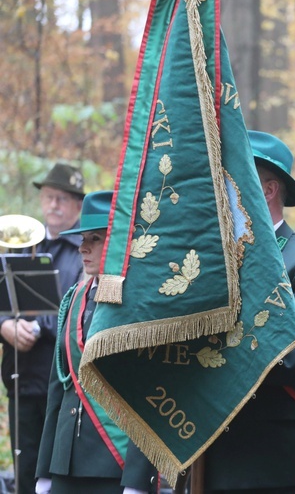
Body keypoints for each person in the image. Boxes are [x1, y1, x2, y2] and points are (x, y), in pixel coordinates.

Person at [202, 131, 295, 493]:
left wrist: (224, 351)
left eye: (233, 180)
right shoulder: (215, 262)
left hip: (271, 453)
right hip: (209, 444)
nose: (221, 190)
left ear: (267, 190)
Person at [35, 190, 158, 494]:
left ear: (117, 244)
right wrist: (45, 469)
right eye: (82, 240)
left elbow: (149, 394)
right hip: (65, 462)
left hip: (112, 463)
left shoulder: (139, 304)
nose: (83, 248)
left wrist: (138, 479)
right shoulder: (73, 299)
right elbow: (58, 388)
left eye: (95, 239)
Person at [0, 163, 85, 494]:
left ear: (78, 205)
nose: (53, 205)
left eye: (62, 199)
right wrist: (6, 326)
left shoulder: (84, 249)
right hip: (21, 374)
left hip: (62, 378)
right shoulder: (22, 244)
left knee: (56, 469)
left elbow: (77, 305)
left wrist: (37, 326)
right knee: (24, 464)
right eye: (49, 197)